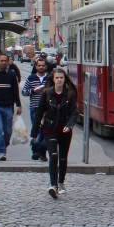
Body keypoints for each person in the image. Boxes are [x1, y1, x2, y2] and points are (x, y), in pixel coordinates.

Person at [31, 66, 78, 199]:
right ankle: (53, 185)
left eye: (61, 78)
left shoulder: (70, 94)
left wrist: (69, 126)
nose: (59, 80)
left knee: (63, 157)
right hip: (49, 129)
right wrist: (33, 134)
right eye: (57, 78)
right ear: (53, 79)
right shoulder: (47, 93)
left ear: (64, 79)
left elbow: (74, 112)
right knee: (53, 156)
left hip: (64, 130)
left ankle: (61, 182)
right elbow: (39, 114)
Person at [0, 51, 22, 161]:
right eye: (1, 61)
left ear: (8, 62)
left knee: (7, 131)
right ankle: (1, 151)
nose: (3, 63)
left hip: (8, 106)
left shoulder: (12, 75)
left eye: (5, 61)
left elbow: (15, 91)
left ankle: (4, 143)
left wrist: (19, 105)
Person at [22, 57, 51, 161]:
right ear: (36, 66)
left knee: (46, 130)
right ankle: (38, 151)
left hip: (48, 108)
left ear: (46, 67)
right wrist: (34, 90)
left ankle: (39, 151)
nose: (41, 67)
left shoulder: (50, 78)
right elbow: (24, 92)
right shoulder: (31, 78)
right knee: (38, 129)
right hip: (35, 107)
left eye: (43, 65)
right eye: (39, 65)